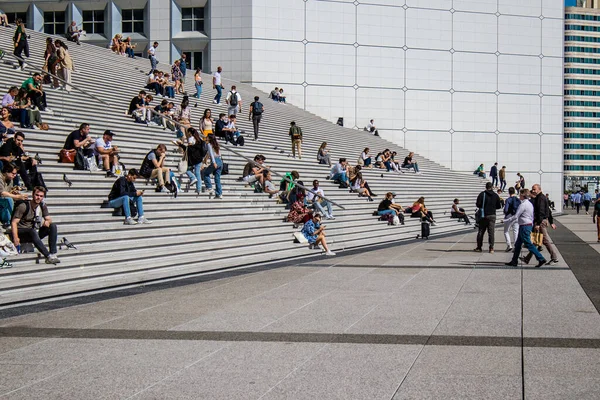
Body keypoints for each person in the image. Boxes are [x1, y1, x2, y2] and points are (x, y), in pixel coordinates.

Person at [11, 186, 59, 264]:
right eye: (37, 195)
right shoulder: (23, 206)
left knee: (53, 226)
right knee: (32, 231)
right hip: (21, 232)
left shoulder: (42, 206)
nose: (38, 198)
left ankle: (53, 253)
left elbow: (49, 219)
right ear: (33, 195)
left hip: (33, 232)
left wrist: (45, 221)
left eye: (41, 196)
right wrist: (16, 238)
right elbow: (14, 222)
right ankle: (48, 256)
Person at [504, 189, 547, 268]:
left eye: (520, 194)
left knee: (528, 243)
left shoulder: (523, 205)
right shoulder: (529, 204)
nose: (519, 196)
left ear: (523, 195)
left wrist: (506, 220)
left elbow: (516, 216)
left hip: (524, 226)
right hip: (526, 225)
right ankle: (514, 261)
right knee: (518, 244)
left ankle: (541, 258)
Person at [521, 184, 558, 266]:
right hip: (541, 221)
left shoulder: (540, 198)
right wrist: (550, 222)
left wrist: (538, 223)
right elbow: (547, 210)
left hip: (541, 222)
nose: (533, 191)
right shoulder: (540, 197)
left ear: (539, 189)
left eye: (534, 189)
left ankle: (554, 258)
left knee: (545, 240)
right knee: (535, 241)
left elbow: (541, 212)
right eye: (532, 189)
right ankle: (527, 258)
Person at [474, 182, 502, 253]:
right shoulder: (495, 195)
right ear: (492, 187)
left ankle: (479, 247)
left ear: (486, 187)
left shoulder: (482, 194)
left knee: (481, 231)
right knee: (491, 232)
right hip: (492, 215)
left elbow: (478, 204)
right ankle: (491, 248)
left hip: (484, 215)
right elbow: (498, 206)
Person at [202, 134, 223, 199]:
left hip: (215, 161)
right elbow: (218, 154)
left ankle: (209, 187)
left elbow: (211, 154)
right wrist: (205, 160)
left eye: (207, 137)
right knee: (217, 178)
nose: (206, 138)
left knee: (206, 173)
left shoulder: (209, 144)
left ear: (210, 138)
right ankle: (219, 194)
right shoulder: (216, 144)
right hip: (220, 161)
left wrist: (213, 162)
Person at [503, 186, 520, 252]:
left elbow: (506, 209)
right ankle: (516, 246)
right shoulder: (517, 199)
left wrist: (505, 212)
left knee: (506, 231)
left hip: (509, 216)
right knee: (516, 231)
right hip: (516, 216)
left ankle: (509, 245)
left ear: (509, 192)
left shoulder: (508, 200)